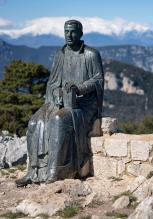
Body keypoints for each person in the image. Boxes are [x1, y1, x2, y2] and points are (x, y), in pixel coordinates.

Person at [16, 20, 104, 186]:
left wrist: (80, 88)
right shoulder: (60, 54)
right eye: (66, 32)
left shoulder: (91, 55)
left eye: (73, 32)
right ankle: (34, 170)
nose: (69, 35)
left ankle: (56, 170)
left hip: (83, 104)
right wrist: (56, 95)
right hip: (59, 99)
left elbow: (98, 81)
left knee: (58, 120)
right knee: (35, 122)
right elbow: (52, 82)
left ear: (80, 33)